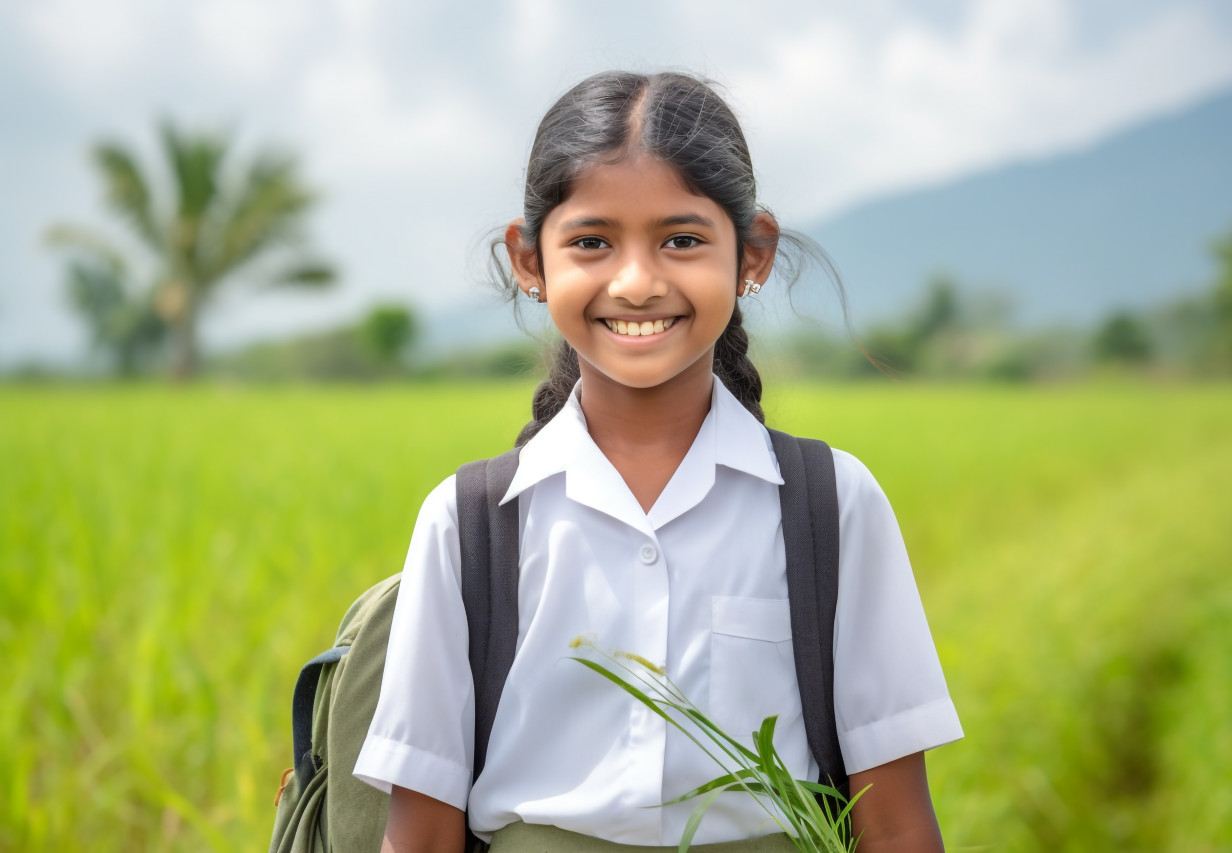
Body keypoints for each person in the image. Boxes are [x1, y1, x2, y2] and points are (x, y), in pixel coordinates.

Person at [353, 70, 963, 853]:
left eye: (681, 239)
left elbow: (897, 822)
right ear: (530, 260)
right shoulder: (472, 522)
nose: (637, 283)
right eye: (591, 241)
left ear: (754, 253)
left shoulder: (831, 505)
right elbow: (423, 835)